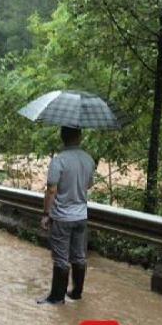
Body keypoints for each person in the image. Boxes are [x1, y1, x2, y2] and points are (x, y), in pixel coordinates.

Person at [37, 126, 95, 305]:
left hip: (62, 217)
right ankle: (76, 293)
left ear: (62, 137)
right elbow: (89, 185)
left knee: (61, 258)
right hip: (81, 216)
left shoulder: (59, 161)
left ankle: (56, 297)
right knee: (79, 255)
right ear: (80, 137)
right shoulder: (88, 159)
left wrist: (46, 213)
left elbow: (52, 190)